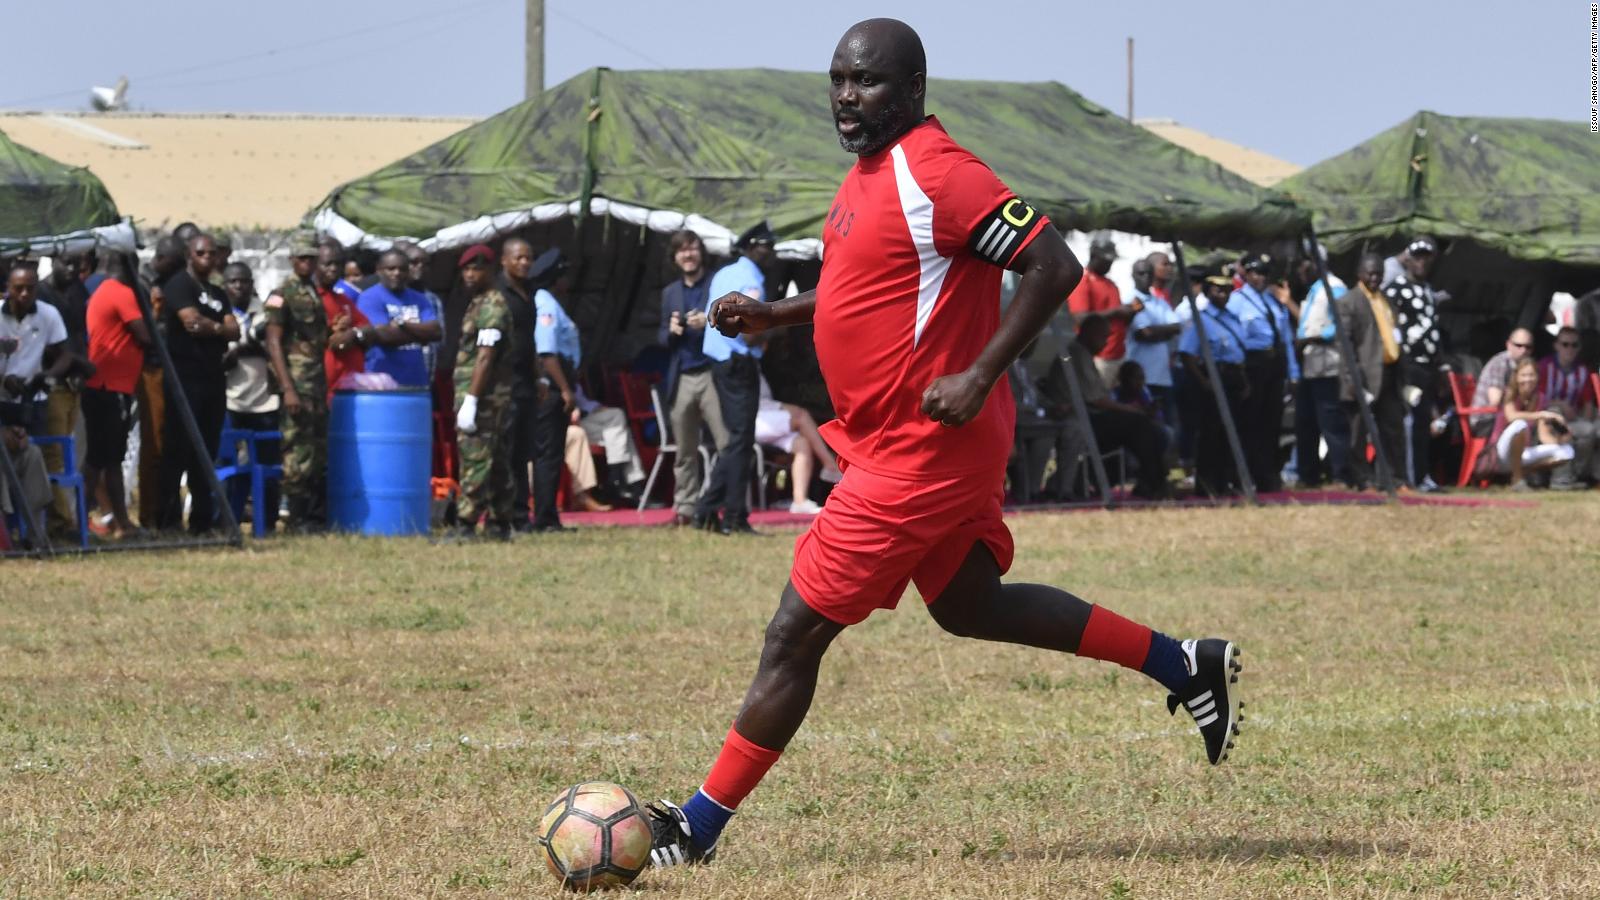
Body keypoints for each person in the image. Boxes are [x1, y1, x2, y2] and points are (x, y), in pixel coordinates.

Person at [644, 19, 1243, 869]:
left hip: (921, 452)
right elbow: (869, 280)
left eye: (870, 82)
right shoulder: (865, 175)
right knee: (969, 606)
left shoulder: (941, 173)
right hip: (894, 442)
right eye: (840, 80)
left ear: (915, 90)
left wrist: (981, 372)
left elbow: (1055, 267)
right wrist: (779, 315)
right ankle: (1183, 663)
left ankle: (695, 830)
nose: (849, 98)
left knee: (794, 634)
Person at [694, 221, 780, 535]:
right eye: (764, 246)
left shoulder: (725, 273)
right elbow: (751, 331)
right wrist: (774, 332)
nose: (769, 252)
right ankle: (733, 516)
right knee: (740, 442)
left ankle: (706, 509)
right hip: (739, 363)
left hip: (721, 362)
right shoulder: (750, 278)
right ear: (748, 247)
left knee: (736, 441)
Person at [157, 233, 238, 534]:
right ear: (190, 255)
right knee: (177, 448)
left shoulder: (218, 292)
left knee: (207, 449)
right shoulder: (179, 285)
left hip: (214, 379)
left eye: (212, 254)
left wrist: (213, 327)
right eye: (201, 253)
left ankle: (202, 521)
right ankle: (167, 521)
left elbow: (234, 330)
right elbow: (191, 324)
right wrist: (219, 328)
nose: (208, 259)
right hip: (184, 379)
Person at [1, 262, 80, 540]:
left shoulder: (48, 314)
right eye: (18, 288)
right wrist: (5, 379)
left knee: (37, 457)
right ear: (7, 289)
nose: (24, 294)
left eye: (30, 288)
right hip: (2, 400)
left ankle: (45, 528)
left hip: (33, 398)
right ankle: (9, 529)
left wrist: (46, 376)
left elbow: (66, 355)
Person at [264, 238, 339, 532]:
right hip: (296, 382)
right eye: (303, 258)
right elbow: (273, 343)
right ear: (293, 260)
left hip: (316, 383)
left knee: (316, 450)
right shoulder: (282, 294)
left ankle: (312, 516)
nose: (308, 263)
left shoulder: (313, 293)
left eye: (312, 258)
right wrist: (288, 388)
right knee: (297, 452)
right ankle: (294, 518)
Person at [445, 244, 517, 541]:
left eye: (477, 269)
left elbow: (486, 355)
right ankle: (500, 522)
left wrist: (471, 401)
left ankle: (465, 523)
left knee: (475, 458)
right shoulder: (478, 302)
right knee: (496, 461)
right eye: (466, 269)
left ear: (490, 271)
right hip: (483, 396)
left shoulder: (491, 306)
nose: (471, 275)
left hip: (485, 397)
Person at [659, 230, 729, 526]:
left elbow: (734, 323)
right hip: (683, 376)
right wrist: (672, 331)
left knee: (727, 444)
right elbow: (661, 337)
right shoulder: (669, 293)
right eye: (681, 251)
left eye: (692, 249)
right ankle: (685, 508)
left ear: (701, 252)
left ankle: (722, 503)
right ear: (675, 258)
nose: (688, 255)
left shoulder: (717, 282)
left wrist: (709, 324)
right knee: (684, 450)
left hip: (713, 373)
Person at [81, 254, 151, 538]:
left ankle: (121, 522)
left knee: (110, 459)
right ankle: (81, 520)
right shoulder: (120, 293)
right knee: (99, 460)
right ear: (129, 269)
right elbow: (145, 335)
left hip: (112, 386)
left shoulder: (105, 291)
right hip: (107, 387)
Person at [1070, 315, 1170, 498]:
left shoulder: (1084, 355)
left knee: (1149, 427)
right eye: (1104, 337)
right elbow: (1096, 400)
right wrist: (1135, 410)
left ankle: (1152, 481)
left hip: (1092, 416)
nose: (1106, 342)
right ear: (1090, 334)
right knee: (1138, 424)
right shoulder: (1077, 354)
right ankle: (1152, 483)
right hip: (1082, 418)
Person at [1178, 265, 1251, 497]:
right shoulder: (1200, 319)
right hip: (1213, 376)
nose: (1223, 294)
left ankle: (1226, 481)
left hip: (1234, 377)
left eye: (1227, 290)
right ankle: (1207, 484)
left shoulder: (1233, 318)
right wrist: (1204, 383)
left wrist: (1245, 382)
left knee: (1233, 433)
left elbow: (1240, 353)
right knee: (1211, 434)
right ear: (1208, 291)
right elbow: (1187, 355)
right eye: (1218, 290)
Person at [220, 261, 282, 530]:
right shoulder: (220, 313)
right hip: (231, 400)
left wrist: (245, 349)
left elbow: (270, 343)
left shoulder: (263, 311)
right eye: (233, 282)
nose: (239, 286)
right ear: (225, 286)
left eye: (244, 281)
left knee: (267, 466)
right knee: (230, 467)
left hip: (264, 401)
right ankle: (228, 519)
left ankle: (268, 520)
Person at [1338, 254, 1406, 491]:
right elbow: (1345, 345)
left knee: (1393, 429)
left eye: (1378, 273)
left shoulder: (1386, 300)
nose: (1375, 278)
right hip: (1363, 376)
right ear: (1360, 274)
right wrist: (1352, 378)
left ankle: (1397, 479)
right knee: (1359, 432)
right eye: (1370, 273)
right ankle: (1362, 479)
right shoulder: (1349, 302)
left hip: (1389, 373)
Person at [1384, 235, 1444, 490]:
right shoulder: (1397, 288)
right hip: (1409, 364)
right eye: (1417, 257)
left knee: (1423, 422)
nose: (1421, 263)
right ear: (1408, 259)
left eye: (1426, 258)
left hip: (1428, 365)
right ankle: (1407, 475)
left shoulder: (1428, 291)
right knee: (1409, 420)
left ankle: (1422, 474)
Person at [1228, 253, 1290, 493]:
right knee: (1250, 422)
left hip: (1275, 363)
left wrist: (1292, 372)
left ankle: (1268, 473)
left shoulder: (1272, 301)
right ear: (1247, 275)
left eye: (1264, 273)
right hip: (1253, 363)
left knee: (1271, 421)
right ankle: (1246, 474)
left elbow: (1284, 336)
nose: (1260, 278)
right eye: (1255, 273)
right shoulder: (1237, 300)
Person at [137, 238, 188, 529]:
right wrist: (158, 310)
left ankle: (166, 514)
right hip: (152, 369)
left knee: (170, 445)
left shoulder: (166, 284)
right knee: (154, 445)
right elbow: (148, 332)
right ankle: (149, 516)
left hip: (172, 369)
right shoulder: (144, 284)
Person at [1293, 249, 1354, 487]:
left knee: (1332, 424)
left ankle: (1341, 474)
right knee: (1305, 422)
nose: (1299, 271)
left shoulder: (1334, 287)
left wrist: (1312, 339)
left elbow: (1342, 324)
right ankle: (1307, 475)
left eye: (1302, 265)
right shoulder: (1314, 289)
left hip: (1328, 366)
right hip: (1310, 366)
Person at [498, 239, 545, 531]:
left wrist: (539, 376)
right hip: (504, 383)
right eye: (518, 258)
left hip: (526, 381)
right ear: (504, 261)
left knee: (522, 453)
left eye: (528, 258)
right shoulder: (497, 295)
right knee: (504, 450)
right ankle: (501, 513)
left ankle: (519, 514)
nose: (524, 263)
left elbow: (531, 341)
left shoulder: (529, 292)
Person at [754, 374, 841, 514]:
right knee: (801, 416)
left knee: (802, 443)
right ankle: (830, 465)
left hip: (768, 416)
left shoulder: (755, 366)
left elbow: (765, 401)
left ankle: (799, 500)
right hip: (750, 420)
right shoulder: (732, 362)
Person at [356, 249, 442, 388]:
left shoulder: (419, 298)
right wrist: (422, 335)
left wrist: (402, 324)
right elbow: (383, 335)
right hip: (381, 382)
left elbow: (436, 332)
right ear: (379, 270)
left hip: (416, 381)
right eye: (391, 269)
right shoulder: (369, 297)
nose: (397, 273)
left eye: (402, 269)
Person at [1489, 358, 1575, 489]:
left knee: (1567, 452)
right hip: (1501, 453)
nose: (1527, 379)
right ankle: (1517, 480)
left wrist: (1561, 439)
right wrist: (1542, 414)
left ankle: (1519, 474)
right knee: (1520, 424)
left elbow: (1544, 436)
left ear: (1537, 377)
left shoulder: (1540, 398)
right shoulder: (1509, 394)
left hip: (1523, 452)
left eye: (1531, 375)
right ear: (1516, 377)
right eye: (1523, 375)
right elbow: (1511, 416)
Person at [1065, 233, 1135, 388]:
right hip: (1097, 356)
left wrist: (1130, 312)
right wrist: (1116, 312)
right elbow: (1080, 318)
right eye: (1106, 259)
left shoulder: (1110, 283)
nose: (1110, 263)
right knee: (1097, 401)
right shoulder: (1083, 280)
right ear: (1094, 255)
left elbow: (1121, 321)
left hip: (1117, 354)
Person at [1126, 254, 1182, 437]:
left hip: (1163, 377)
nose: (1146, 278)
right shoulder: (1130, 300)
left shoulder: (1160, 301)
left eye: (1149, 274)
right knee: (1146, 429)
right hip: (1141, 377)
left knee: (1166, 427)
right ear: (1133, 275)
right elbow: (1143, 334)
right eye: (1141, 273)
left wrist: (1157, 332)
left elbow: (1176, 327)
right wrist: (1164, 332)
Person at [1536, 326, 1596, 487]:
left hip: (1574, 419)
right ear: (1556, 345)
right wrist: (1560, 404)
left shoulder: (1582, 370)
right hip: (1545, 420)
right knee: (1555, 416)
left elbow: (1588, 403)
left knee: (1590, 430)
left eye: (1574, 345)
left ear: (1579, 347)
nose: (1569, 349)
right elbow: (1537, 400)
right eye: (1565, 344)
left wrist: (1585, 421)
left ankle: (1578, 476)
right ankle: (1560, 479)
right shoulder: (1544, 366)